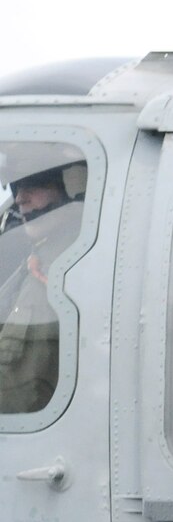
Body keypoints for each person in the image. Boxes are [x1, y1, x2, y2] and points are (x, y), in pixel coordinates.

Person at [0, 160, 84, 415]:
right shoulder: (38, 258)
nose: (20, 199)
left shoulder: (63, 266)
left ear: (65, 189)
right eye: (16, 188)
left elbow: (19, 388)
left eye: (33, 184)